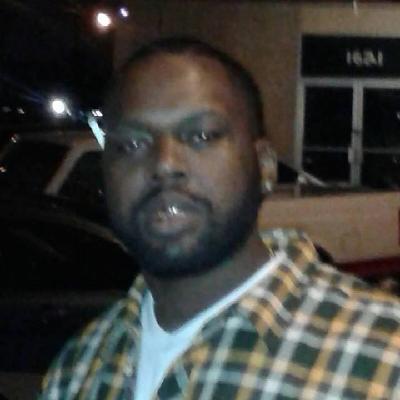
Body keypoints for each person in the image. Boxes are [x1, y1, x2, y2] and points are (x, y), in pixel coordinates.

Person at [40, 37, 400, 400]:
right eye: (132, 144)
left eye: (201, 135)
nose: (164, 164)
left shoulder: (384, 357)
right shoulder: (78, 368)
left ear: (265, 167)